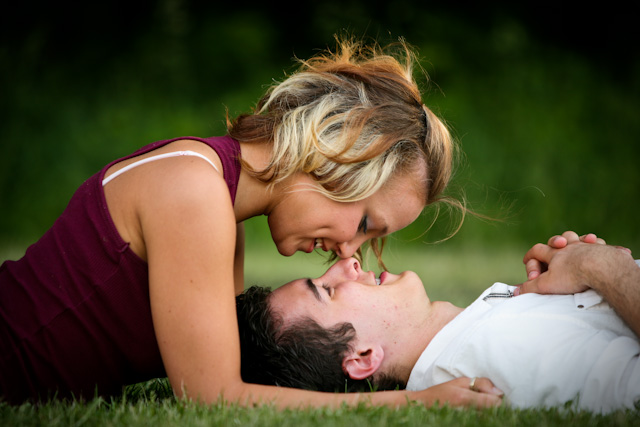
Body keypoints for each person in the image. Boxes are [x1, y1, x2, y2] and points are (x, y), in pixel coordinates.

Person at [0, 36, 515, 408]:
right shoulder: (195, 193)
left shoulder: (220, 204)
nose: (347, 253)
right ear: (336, 152)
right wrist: (418, 402)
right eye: (363, 223)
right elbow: (215, 399)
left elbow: (244, 372)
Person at [235, 235, 640, 413]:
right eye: (329, 291)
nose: (348, 263)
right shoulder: (491, 356)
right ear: (361, 357)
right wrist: (605, 269)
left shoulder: (478, 331)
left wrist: (595, 285)